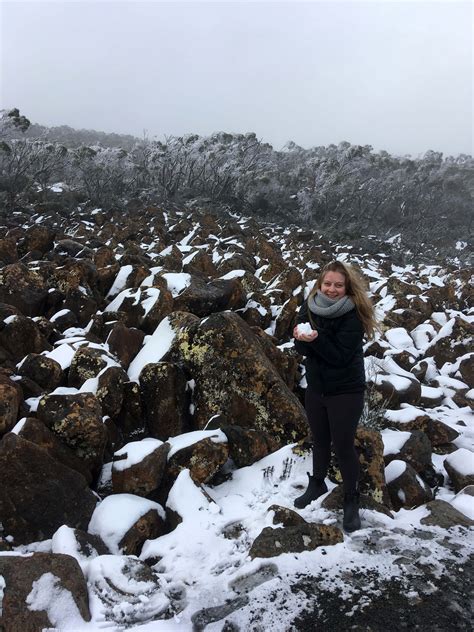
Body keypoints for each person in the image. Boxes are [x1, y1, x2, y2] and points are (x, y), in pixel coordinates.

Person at [292, 260, 377, 532]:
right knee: (319, 440)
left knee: (342, 446)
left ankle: (351, 498)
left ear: (347, 287)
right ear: (320, 284)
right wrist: (301, 339)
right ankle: (317, 483)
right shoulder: (310, 305)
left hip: (346, 390)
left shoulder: (352, 314)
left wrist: (314, 340)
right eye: (327, 283)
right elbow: (302, 348)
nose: (331, 289)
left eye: (338, 285)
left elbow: (340, 357)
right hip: (317, 387)